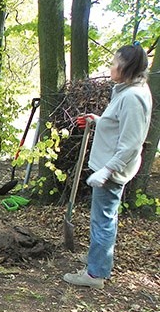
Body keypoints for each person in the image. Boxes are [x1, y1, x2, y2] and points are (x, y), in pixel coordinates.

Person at [63, 43, 152, 289]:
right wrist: (98, 121)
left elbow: (131, 144)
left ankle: (95, 274)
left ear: (126, 67)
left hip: (112, 171)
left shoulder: (133, 98)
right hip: (108, 166)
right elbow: (118, 125)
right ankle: (98, 258)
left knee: (103, 220)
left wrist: (107, 171)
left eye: (115, 63)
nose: (111, 66)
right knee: (102, 218)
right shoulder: (125, 91)